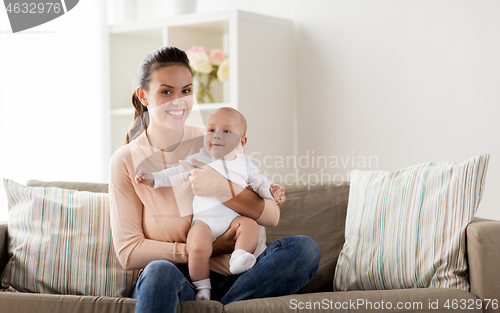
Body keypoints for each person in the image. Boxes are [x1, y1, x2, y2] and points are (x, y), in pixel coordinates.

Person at [108, 46, 320, 313]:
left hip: (239, 277)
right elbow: (129, 252)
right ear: (144, 96)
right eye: (166, 92)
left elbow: (271, 216)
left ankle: (222, 306)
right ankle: (225, 307)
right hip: (177, 280)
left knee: (304, 249)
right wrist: (207, 248)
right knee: (159, 270)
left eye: (186, 90)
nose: (179, 102)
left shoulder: (214, 135)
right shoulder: (126, 159)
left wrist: (224, 190)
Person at [134, 107, 286, 300]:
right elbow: (175, 173)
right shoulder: (200, 157)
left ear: (242, 141)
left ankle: (239, 256)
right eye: (211, 130)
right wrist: (153, 179)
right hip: (204, 222)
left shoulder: (245, 163)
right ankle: (202, 288)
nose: (217, 136)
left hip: (234, 221)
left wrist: (271, 190)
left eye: (226, 131)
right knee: (196, 246)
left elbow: (259, 183)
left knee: (250, 226)